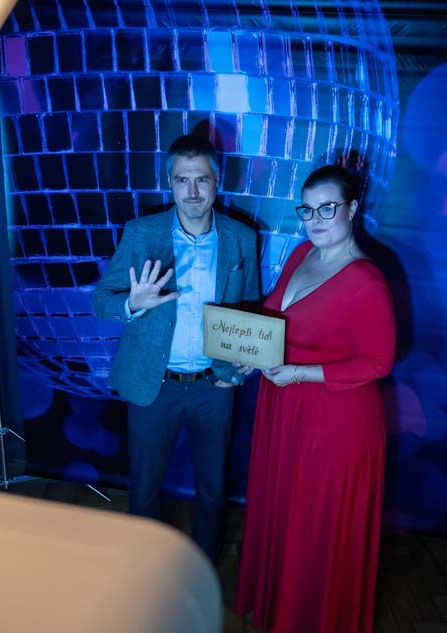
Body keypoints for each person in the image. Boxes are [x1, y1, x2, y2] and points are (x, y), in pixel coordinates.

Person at [234, 165, 395, 633]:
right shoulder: (302, 252)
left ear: (353, 208)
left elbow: (379, 362)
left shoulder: (367, 281)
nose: (315, 220)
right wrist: (249, 354)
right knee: (287, 515)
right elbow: (273, 315)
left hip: (335, 423)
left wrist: (300, 372)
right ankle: (281, 609)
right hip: (286, 407)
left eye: (327, 209)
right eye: (307, 210)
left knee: (315, 527)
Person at [92, 134, 259, 560]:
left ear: (217, 180)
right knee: (145, 487)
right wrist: (132, 303)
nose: (192, 191)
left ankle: (204, 565)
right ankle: (144, 566)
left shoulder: (241, 237)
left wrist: (243, 362)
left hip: (214, 386)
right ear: (169, 182)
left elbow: (250, 307)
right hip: (154, 385)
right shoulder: (141, 233)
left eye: (201, 179)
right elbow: (101, 301)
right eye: (182, 180)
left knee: (213, 487)